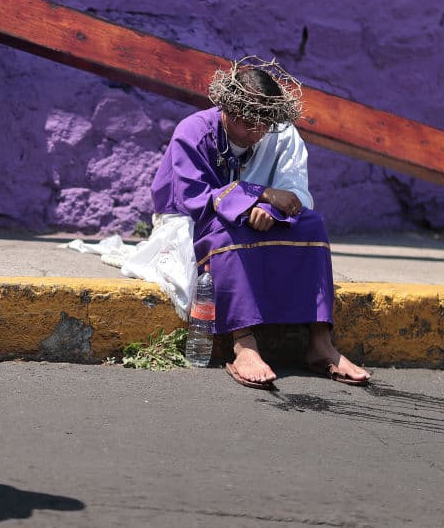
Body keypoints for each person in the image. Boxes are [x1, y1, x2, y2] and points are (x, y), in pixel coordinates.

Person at [150, 56, 371, 390]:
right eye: (249, 121)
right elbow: (195, 201)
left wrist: (273, 211)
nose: (259, 131)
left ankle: (320, 344)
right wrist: (260, 196)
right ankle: (244, 345)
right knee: (228, 231)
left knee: (312, 225)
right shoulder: (192, 132)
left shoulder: (279, 129)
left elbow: (295, 192)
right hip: (191, 223)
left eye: (265, 122)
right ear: (228, 109)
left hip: (261, 218)